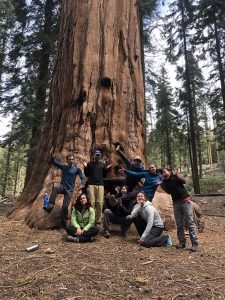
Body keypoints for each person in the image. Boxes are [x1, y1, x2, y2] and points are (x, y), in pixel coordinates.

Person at [43, 154, 86, 228]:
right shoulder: (63, 166)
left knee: (65, 207)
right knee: (56, 189)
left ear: (74, 160)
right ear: (67, 160)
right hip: (62, 187)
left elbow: (83, 178)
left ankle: (64, 225)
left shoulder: (77, 169)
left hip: (69, 190)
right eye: (69, 159)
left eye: (72, 159)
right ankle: (50, 206)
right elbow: (55, 162)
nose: (71, 161)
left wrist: (82, 183)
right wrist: (52, 158)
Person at [161, 168, 198, 252]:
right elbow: (168, 192)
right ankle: (182, 242)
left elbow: (184, 181)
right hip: (176, 203)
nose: (163, 173)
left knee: (189, 222)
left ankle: (194, 243)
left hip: (185, 201)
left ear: (169, 171)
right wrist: (161, 184)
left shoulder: (175, 176)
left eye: (164, 171)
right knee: (179, 224)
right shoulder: (165, 182)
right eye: (162, 173)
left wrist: (177, 174)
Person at [83, 150, 111, 225]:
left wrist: (108, 169)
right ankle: (91, 219)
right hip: (91, 184)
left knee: (100, 203)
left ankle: (97, 220)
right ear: (94, 156)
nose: (98, 156)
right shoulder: (89, 164)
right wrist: (85, 167)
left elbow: (104, 175)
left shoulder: (102, 164)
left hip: (100, 185)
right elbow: (86, 174)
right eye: (96, 155)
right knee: (92, 202)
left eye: (99, 155)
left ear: (100, 156)